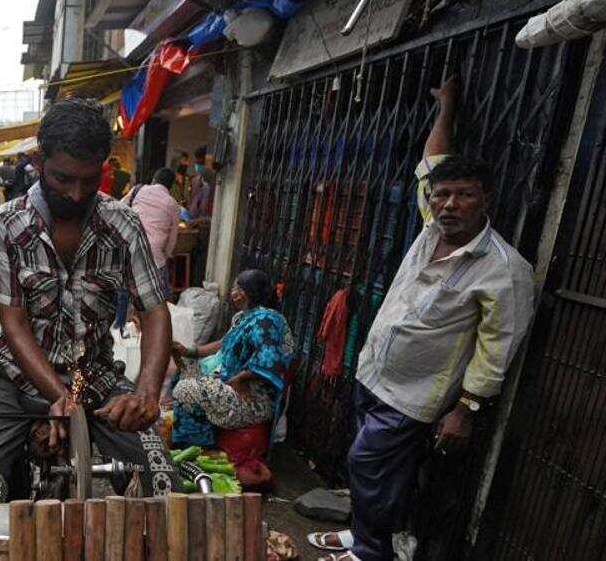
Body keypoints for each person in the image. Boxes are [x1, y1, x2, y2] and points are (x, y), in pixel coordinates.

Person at [309, 77, 535, 561]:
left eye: (464, 195)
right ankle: (366, 534)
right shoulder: (430, 226)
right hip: (373, 373)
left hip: (415, 394)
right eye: (443, 195)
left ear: (486, 198)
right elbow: (430, 163)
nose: (449, 204)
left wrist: (466, 410)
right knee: (374, 469)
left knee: (370, 465)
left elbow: (497, 349)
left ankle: (371, 552)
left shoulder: (504, 270)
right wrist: (446, 107)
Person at [0, 98, 178, 497]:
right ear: (39, 161)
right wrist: (59, 397)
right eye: (62, 179)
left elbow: (155, 310)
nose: (76, 194)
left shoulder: (124, 224)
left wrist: (146, 392)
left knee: (166, 486)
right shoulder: (6, 222)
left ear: (103, 168)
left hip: (95, 378)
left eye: (89, 181)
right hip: (15, 383)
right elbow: (13, 322)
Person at [170, 270, 294, 447]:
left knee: (186, 389)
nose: (231, 292)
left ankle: (195, 448)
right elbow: (222, 343)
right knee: (185, 371)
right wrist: (188, 352)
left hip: (253, 398)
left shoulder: (268, 320)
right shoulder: (242, 318)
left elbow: (269, 362)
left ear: (243, 293)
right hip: (231, 383)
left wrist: (238, 380)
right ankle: (199, 435)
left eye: (235, 287)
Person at [116, 168, 181, 328]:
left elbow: (118, 210)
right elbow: (172, 239)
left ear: (153, 179)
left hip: (130, 251)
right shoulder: (172, 204)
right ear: (170, 186)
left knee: (122, 296)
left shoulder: (137, 190)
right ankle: (155, 333)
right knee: (158, 302)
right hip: (155, 258)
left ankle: (119, 329)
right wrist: (164, 256)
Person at [186, 145, 214, 224]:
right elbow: (192, 206)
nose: (198, 166)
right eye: (197, 163)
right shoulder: (195, 181)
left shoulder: (217, 184)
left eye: (201, 163)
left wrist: (201, 220)